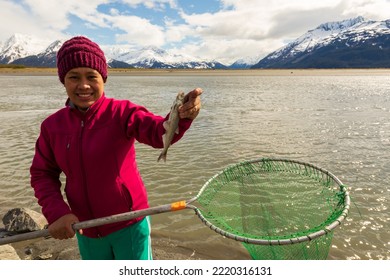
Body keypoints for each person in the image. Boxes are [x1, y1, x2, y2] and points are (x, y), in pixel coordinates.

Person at [30, 36, 202, 260]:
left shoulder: (122, 113)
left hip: (130, 222)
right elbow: (42, 174)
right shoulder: (52, 127)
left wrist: (182, 116)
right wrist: (56, 213)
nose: (83, 85)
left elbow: (158, 133)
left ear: (104, 79)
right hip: (85, 227)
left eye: (92, 76)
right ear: (63, 81)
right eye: (74, 77)